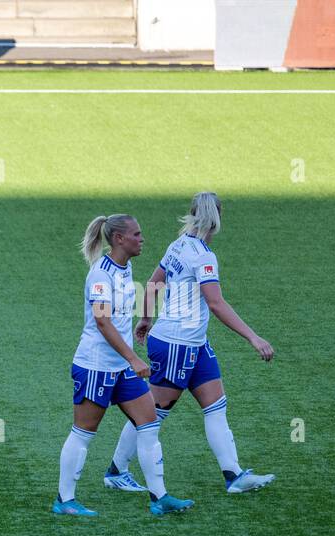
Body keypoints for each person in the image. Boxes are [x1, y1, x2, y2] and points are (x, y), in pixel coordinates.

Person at [104, 192, 275, 494]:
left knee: (216, 406)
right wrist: (253, 337)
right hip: (176, 345)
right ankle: (117, 470)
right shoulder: (203, 256)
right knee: (151, 412)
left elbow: (154, 282)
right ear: (217, 218)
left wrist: (144, 319)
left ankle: (233, 475)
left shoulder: (178, 244)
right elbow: (216, 303)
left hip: (192, 344)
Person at [54, 214, 193, 516]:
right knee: (83, 432)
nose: (142, 239)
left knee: (149, 424)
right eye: (137, 234)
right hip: (95, 366)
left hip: (121, 368)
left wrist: (141, 324)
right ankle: (64, 500)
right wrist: (133, 358)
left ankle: (160, 497)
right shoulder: (100, 276)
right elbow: (103, 323)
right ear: (119, 239)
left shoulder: (125, 268)